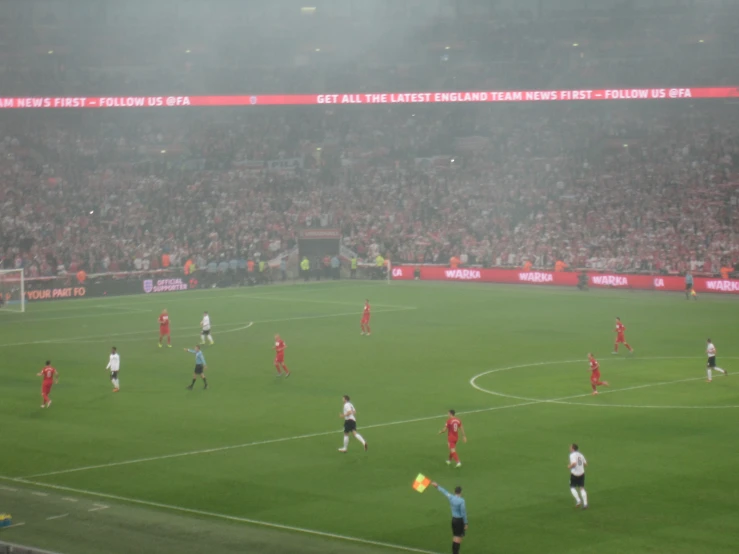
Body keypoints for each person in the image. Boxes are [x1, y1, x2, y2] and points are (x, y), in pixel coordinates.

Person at [430, 481, 467, 554]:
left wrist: (437, 486)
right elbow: (463, 512)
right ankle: (455, 553)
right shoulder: (462, 501)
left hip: (453, 520)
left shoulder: (451, 498)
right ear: (461, 492)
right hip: (459, 521)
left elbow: (444, 492)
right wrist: (466, 523)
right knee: (458, 538)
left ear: (454, 491)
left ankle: (455, 552)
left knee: (455, 537)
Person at [568, 443, 588, 509]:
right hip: (581, 473)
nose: (569, 448)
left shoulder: (572, 455)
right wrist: (579, 466)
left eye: (570, 447)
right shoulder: (580, 455)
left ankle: (578, 500)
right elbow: (585, 464)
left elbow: (574, 463)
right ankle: (585, 504)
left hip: (574, 474)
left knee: (572, 487)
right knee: (582, 488)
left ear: (573, 449)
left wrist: (569, 466)